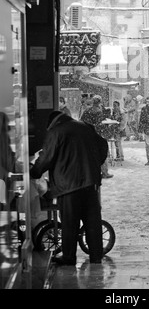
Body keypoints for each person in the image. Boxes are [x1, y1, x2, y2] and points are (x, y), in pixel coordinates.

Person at [30, 110, 108, 266]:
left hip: (68, 186)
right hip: (90, 183)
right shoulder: (85, 126)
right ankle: (96, 256)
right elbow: (103, 145)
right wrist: (93, 165)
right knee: (92, 221)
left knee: (69, 223)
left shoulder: (56, 132)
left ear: (51, 123)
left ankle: (69, 257)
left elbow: (46, 157)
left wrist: (34, 172)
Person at [80, 95, 113, 179]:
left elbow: (81, 121)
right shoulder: (98, 111)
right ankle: (104, 172)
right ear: (99, 102)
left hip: (88, 135)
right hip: (98, 135)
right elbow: (99, 124)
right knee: (102, 153)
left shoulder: (87, 110)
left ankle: (91, 172)